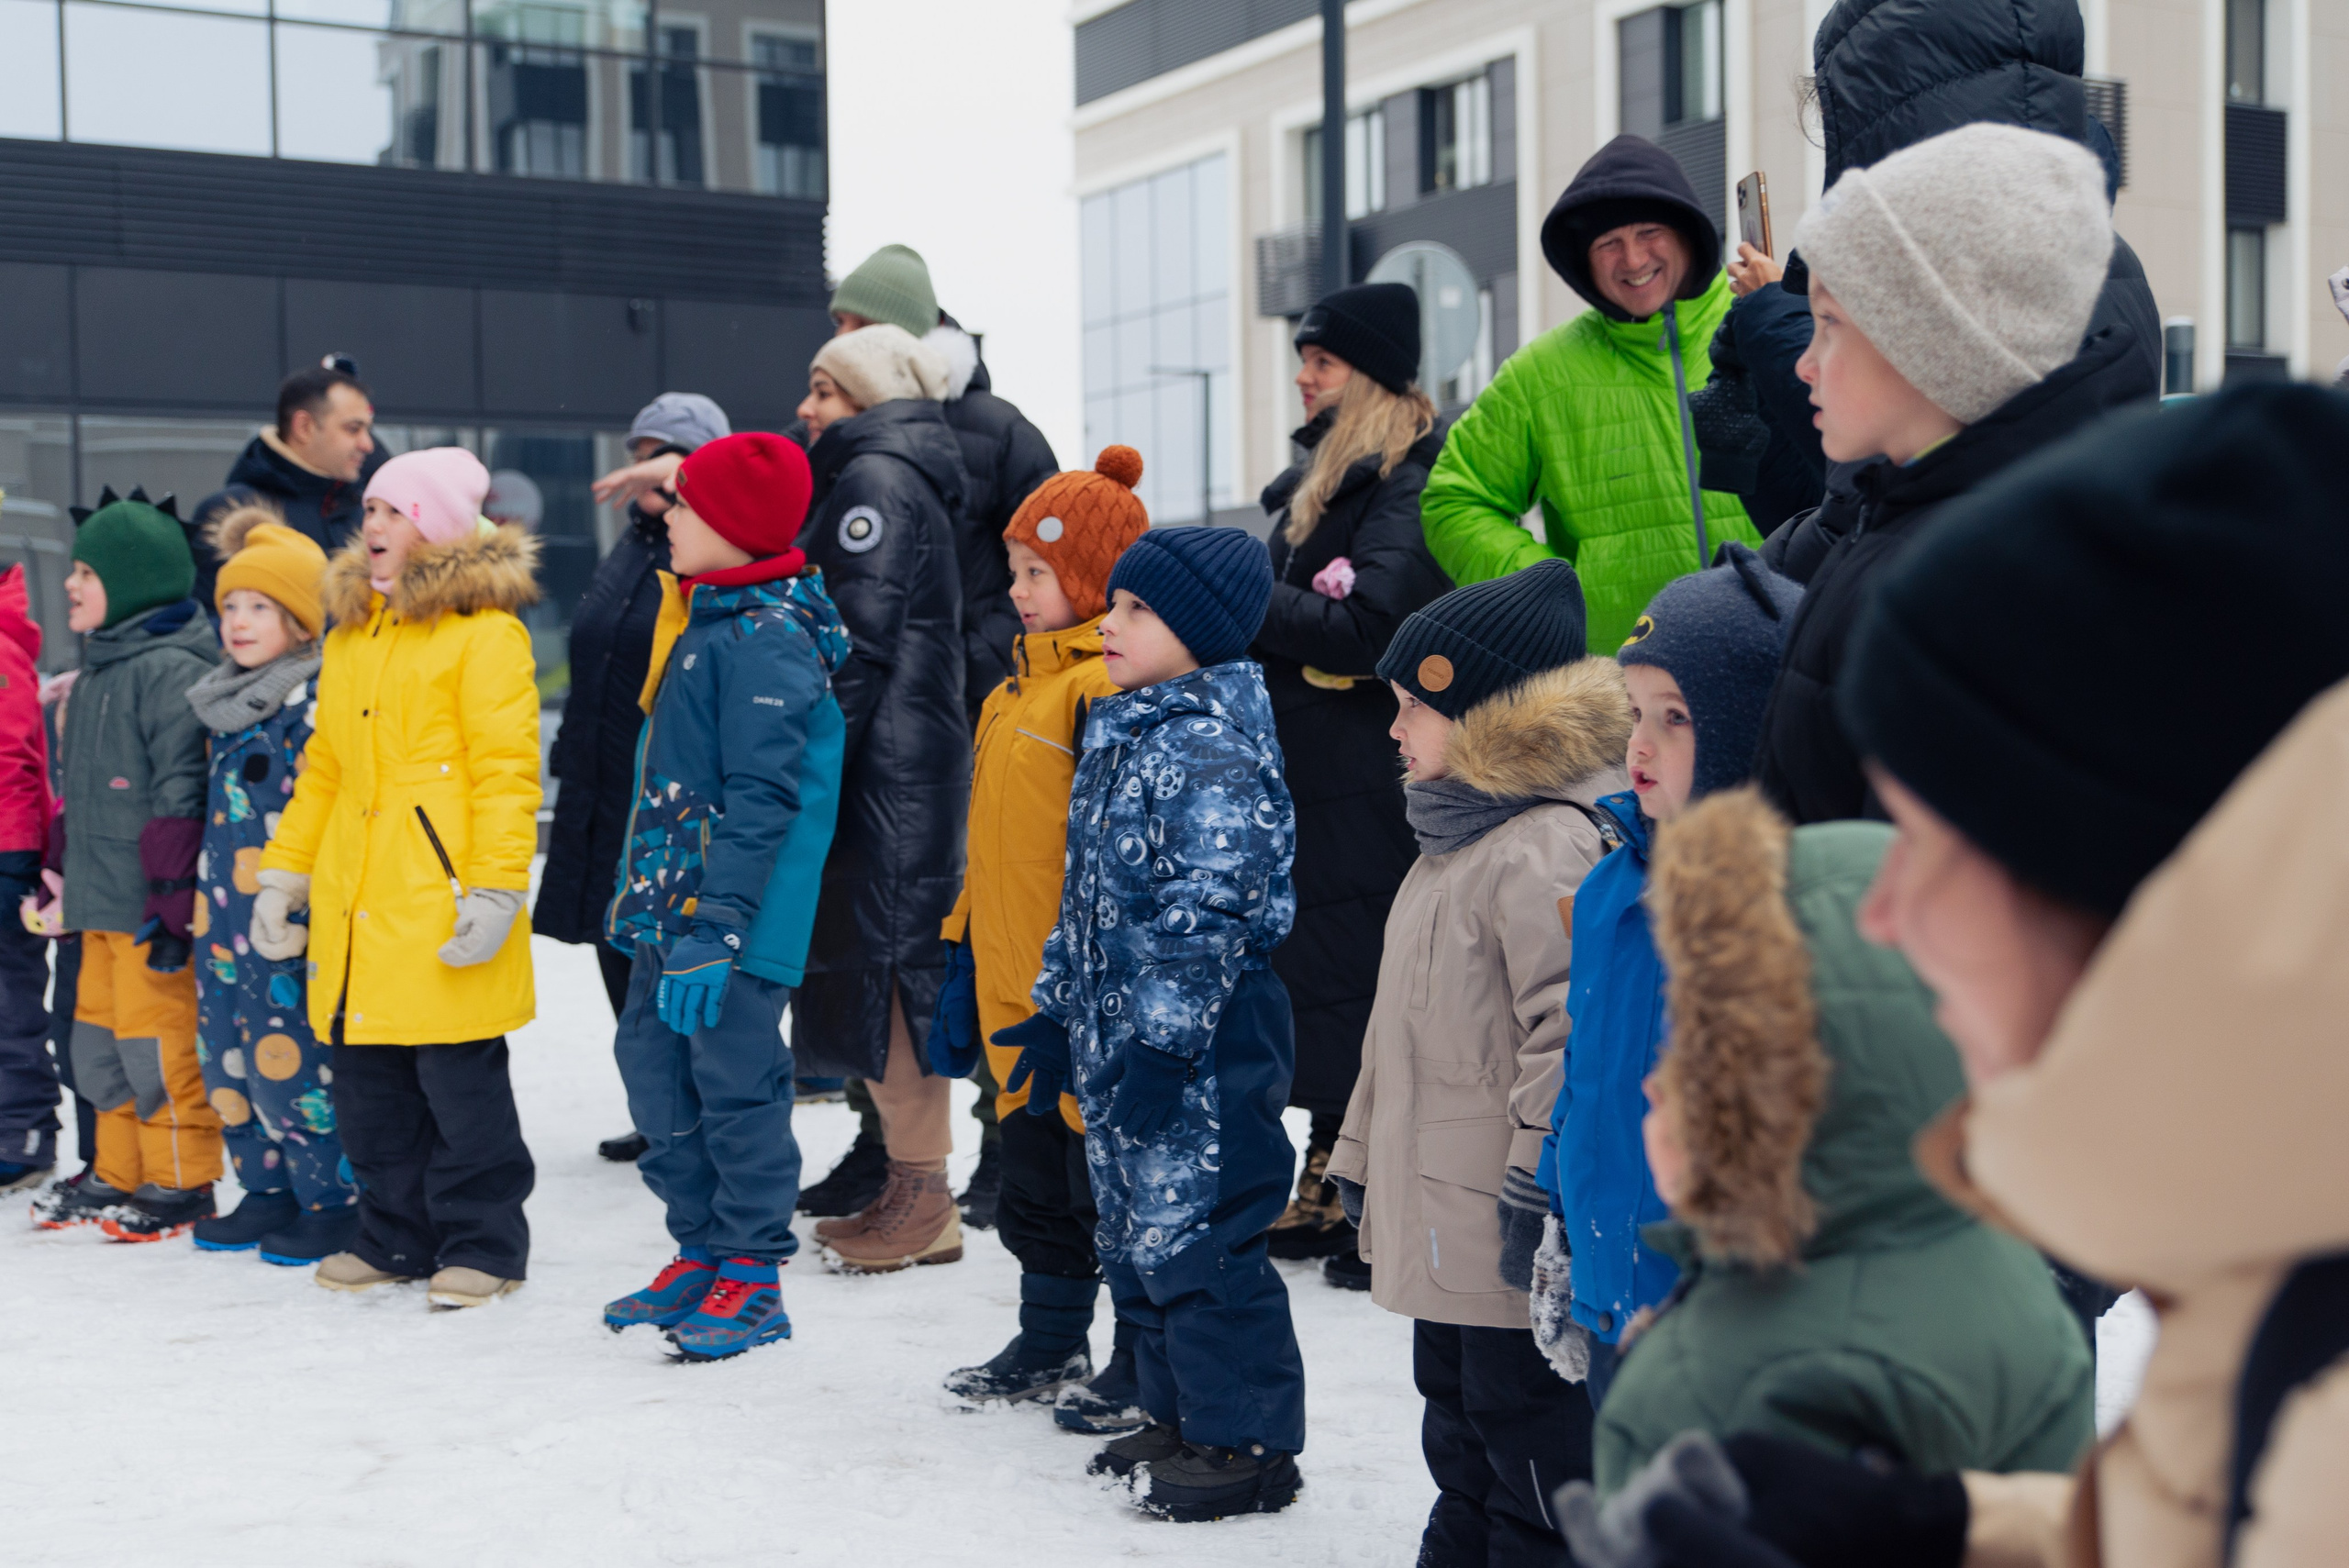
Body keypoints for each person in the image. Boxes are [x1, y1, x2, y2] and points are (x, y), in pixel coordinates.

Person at [1606, 384, 2349, 1568]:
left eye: (1929, 838)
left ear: (2120, 868)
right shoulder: (2259, 1249)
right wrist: (1950, 1532)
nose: (1885, 912)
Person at [1585, 787, 2093, 1497]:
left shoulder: (1713, 1383)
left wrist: (1646, 1374)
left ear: (1774, 1092)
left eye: (1699, 1050)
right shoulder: (1986, 1261)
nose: (1656, 1086)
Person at [996, 524, 1305, 1521]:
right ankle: (1178, 1413)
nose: (1110, 625)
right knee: (1138, 1234)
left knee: (1204, 1241)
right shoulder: (1129, 724)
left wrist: (1166, 1044)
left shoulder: (1208, 744)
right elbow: (1086, 900)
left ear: (1201, 630)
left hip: (1206, 1040)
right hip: (1124, 1031)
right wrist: (1055, 1012)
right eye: (1114, 603)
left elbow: (1202, 917)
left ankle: (1246, 1442)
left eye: (1137, 611)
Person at [1326, 559, 1627, 1565]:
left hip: (1504, 1225)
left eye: (1414, 705)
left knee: (1529, 1443)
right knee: (1454, 1422)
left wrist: (1532, 1193)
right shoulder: (1444, 850)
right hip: (1441, 1217)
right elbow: (1395, 1040)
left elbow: (1569, 1036)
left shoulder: (1544, 846)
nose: (1395, 727)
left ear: (1491, 717)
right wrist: (1358, 1155)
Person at [1750, 123, 2143, 826]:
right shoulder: (1896, 522)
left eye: (1830, 324)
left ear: (1930, 343)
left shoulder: (1967, 584)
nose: (1804, 363)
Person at [254, 447, 540, 1310]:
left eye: (394, 510)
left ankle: (483, 1244)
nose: (371, 525)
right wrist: (285, 876)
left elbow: (506, 773)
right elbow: (326, 773)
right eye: (369, 510)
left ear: (440, 526)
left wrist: (495, 888)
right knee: (371, 1094)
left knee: (460, 1094)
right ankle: (394, 1234)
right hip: (356, 902)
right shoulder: (352, 634)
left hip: (441, 898)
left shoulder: (486, 633)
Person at [1526, 547, 1799, 1413]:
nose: (1639, 744)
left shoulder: (1778, 901)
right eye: (1635, 710)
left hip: (1724, 1323)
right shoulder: (1613, 884)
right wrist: (1557, 1210)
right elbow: (1589, 1067)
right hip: (1613, 1293)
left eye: (1676, 717)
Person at [600, 433, 848, 1362]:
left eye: (688, 506)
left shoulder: (769, 638)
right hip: (673, 908)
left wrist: (722, 924)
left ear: (739, 530)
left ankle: (751, 1271)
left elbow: (762, 802)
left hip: (730, 922)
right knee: (653, 1072)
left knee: (735, 1087)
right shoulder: (709, 618)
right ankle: (700, 1248)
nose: (668, 517)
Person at [828, 243, 1061, 1225]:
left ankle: (1007, 1136)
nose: (842, 341)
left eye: (859, 325)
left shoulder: (996, 429)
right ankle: (882, 1140)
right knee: (890, 936)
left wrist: (983, 648)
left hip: (985, 709)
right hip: (913, 719)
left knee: (982, 926)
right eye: (838, 326)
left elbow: (1052, 559)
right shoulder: (854, 431)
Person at [936, 447, 1151, 1418]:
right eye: (1014, 567)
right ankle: (1051, 1333)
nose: (1016, 588)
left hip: (1078, 1000)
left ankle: (1140, 1359)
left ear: (1097, 580)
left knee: (1098, 1188)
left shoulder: (1100, 690)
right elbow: (989, 848)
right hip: (1007, 989)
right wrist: (957, 944)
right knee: (1030, 1184)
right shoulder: (1010, 691)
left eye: (1037, 570)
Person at [1251, 282, 1453, 1277]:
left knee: (1362, 977)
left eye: (1322, 361)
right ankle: (1330, 1169)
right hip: (1316, 765)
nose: (1302, 375)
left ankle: (1361, 1179)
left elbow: (1375, 629)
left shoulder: (1402, 479)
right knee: (1330, 975)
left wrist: (1254, 601)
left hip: (1365, 770)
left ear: (1368, 374)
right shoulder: (1332, 481)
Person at [1419, 135, 1759, 654]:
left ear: (1688, 235)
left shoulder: (1759, 322)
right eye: (1609, 244)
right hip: (1627, 690)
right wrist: (1552, 590)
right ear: (1584, 261)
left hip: (1783, 655)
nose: (1634, 258)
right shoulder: (1541, 375)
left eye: (1650, 232)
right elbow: (1453, 500)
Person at [790, 324, 974, 1273]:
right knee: (878, 972)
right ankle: (909, 1182)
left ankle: (925, 1191)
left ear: (863, 398)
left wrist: (806, 758)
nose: (807, 406)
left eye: (823, 389)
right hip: (899, 763)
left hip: (887, 774)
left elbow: (853, 641)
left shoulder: (874, 479)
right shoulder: (889, 471)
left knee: (894, 979)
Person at [539, 393, 730, 1168]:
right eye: (639, 449)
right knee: (617, 947)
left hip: (668, 792)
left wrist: (683, 477)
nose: (643, 467)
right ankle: (658, 1106)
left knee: (668, 951)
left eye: (665, 452)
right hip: (602, 784)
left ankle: (698, 1112)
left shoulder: (712, 548)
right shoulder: (632, 547)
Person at [27, 492, 219, 1240]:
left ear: (133, 581)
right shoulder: (101, 669)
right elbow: (79, 797)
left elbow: (179, 794)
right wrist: (58, 877)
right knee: (96, 1046)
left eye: (87, 571)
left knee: (156, 1047)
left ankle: (180, 1178)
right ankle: (118, 1169)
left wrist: (172, 901)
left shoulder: (167, 671)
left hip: (147, 909)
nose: (71, 584)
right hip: (97, 906)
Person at [183, 507, 360, 1263]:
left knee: (292, 1058)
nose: (240, 621)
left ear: (301, 618)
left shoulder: (308, 705)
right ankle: (265, 1184)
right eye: (230, 606)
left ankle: (327, 1195)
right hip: (217, 913)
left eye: (262, 607)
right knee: (224, 1050)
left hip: (283, 917)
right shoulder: (223, 704)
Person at [192, 362, 384, 609]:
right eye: (353, 429)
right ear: (304, 427)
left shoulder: (365, 515)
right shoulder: (230, 514)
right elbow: (209, 624)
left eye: (367, 430)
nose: (367, 444)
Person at [0, 562, 59, 1193]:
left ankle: (23, 1133)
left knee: (9, 999)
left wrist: (14, 855)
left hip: (3, 847)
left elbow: (11, 753)